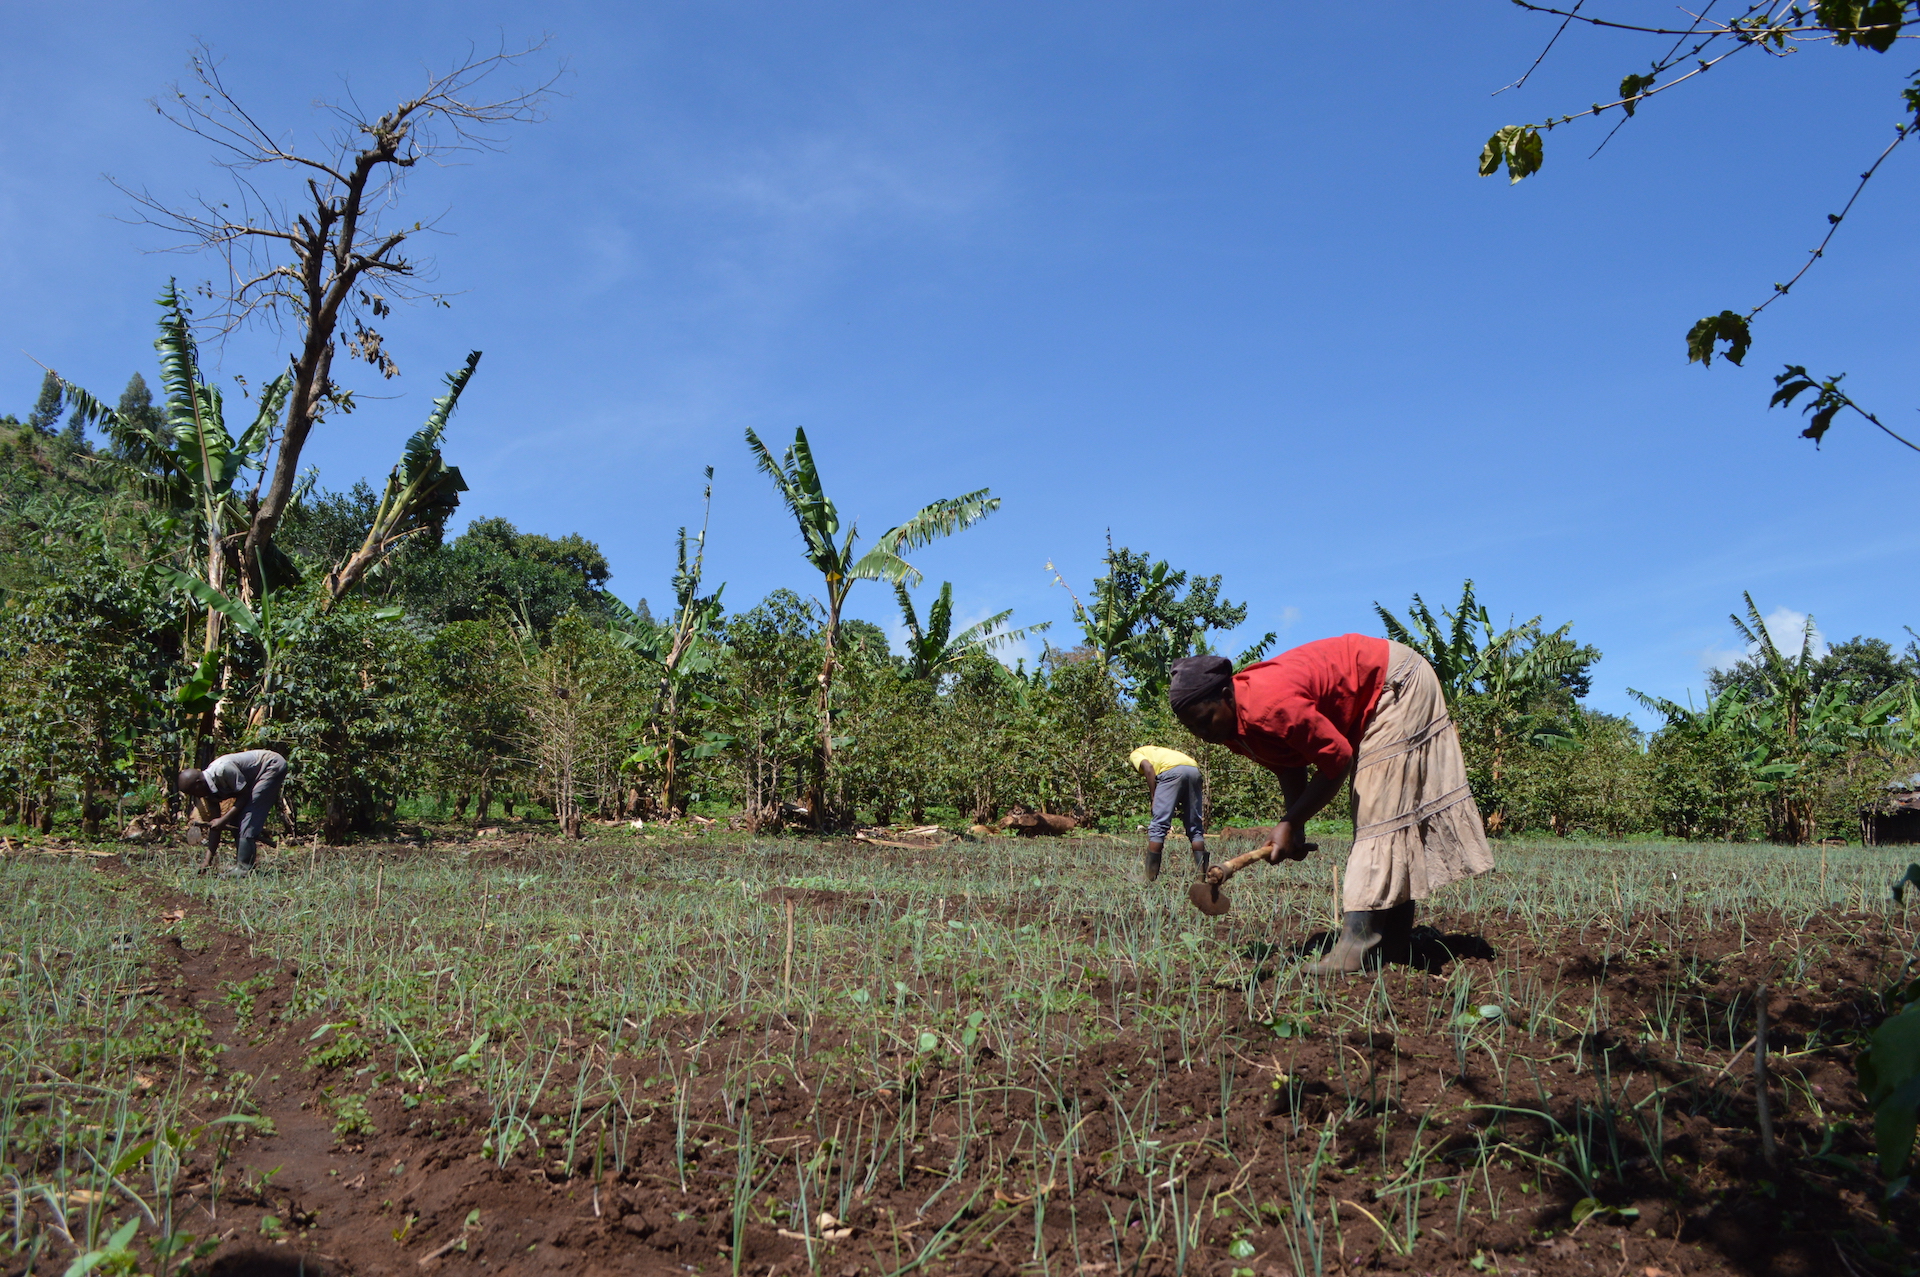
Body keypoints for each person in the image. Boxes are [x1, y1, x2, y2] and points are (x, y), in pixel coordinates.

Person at [1167, 637, 1493, 974]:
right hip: (1378, 690)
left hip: (1395, 684)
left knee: (1379, 814)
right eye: (1191, 728)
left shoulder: (1268, 703)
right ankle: (1394, 943)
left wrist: (1289, 823)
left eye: (1205, 720)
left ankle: (1355, 947)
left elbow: (1338, 760)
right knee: (1389, 815)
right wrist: (1295, 823)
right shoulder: (1233, 727)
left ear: (1225, 696)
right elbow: (1288, 761)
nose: (1201, 734)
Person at [177, 749, 287, 875]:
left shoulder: (223, 769)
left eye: (193, 792)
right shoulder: (207, 791)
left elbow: (244, 796)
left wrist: (223, 820)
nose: (195, 797)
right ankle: (242, 863)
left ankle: (245, 868)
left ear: (198, 784)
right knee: (236, 820)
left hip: (270, 765)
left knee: (248, 815)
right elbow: (215, 826)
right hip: (252, 778)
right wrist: (207, 862)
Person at [1128, 744, 1208, 882]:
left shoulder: (1135, 754)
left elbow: (1148, 768)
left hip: (1171, 772)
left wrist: (1154, 795)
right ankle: (1202, 878)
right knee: (1195, 825)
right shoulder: (1160, 752)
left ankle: (1149, 876)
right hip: (1193, 770)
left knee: (1159, 825)